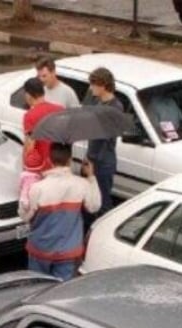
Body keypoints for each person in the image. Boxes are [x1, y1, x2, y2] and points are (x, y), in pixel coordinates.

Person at [19, 144, 101, 281]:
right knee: (61, 293)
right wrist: (91, 177)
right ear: (70, 160)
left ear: (49, 160)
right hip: (68, 251)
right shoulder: (82, 184)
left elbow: (25, 216)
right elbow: (94, 206)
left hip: (40, 249)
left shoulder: (37, 188)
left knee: (36, 290)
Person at [82, 67, 122, 216]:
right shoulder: (98, 103)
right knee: (90, 199)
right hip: (93, 158)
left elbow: (103, 138)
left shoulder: (114, 107)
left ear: (103, 85)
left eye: (93, 84)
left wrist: (91, 161)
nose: (91, 87)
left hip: (102, 162)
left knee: (102, 201)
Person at [22, 77, 63, 173]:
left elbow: (30, 146)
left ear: (28, 95)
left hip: (43, 167)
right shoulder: (60, 109)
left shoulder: (30, 116)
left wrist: (25, 167)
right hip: (60, 164)